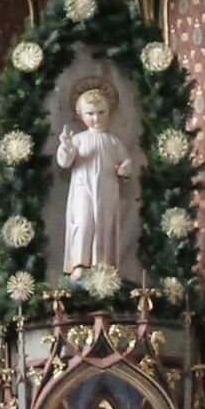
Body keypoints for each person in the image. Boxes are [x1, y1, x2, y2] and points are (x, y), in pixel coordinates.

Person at [56, 74, 141, 277]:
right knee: (83, 223)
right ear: (80, 115)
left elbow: (126, 161)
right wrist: (66, 147)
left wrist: (125, 168)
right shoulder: (78, 139)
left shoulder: (112, 141)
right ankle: (80, 264)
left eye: (101, 112)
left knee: (104, 225)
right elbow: (64, 162)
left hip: (106, 191)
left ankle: (101, 266)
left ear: (109, 111)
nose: (96, 118)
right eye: (90, 114)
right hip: (82, 190)